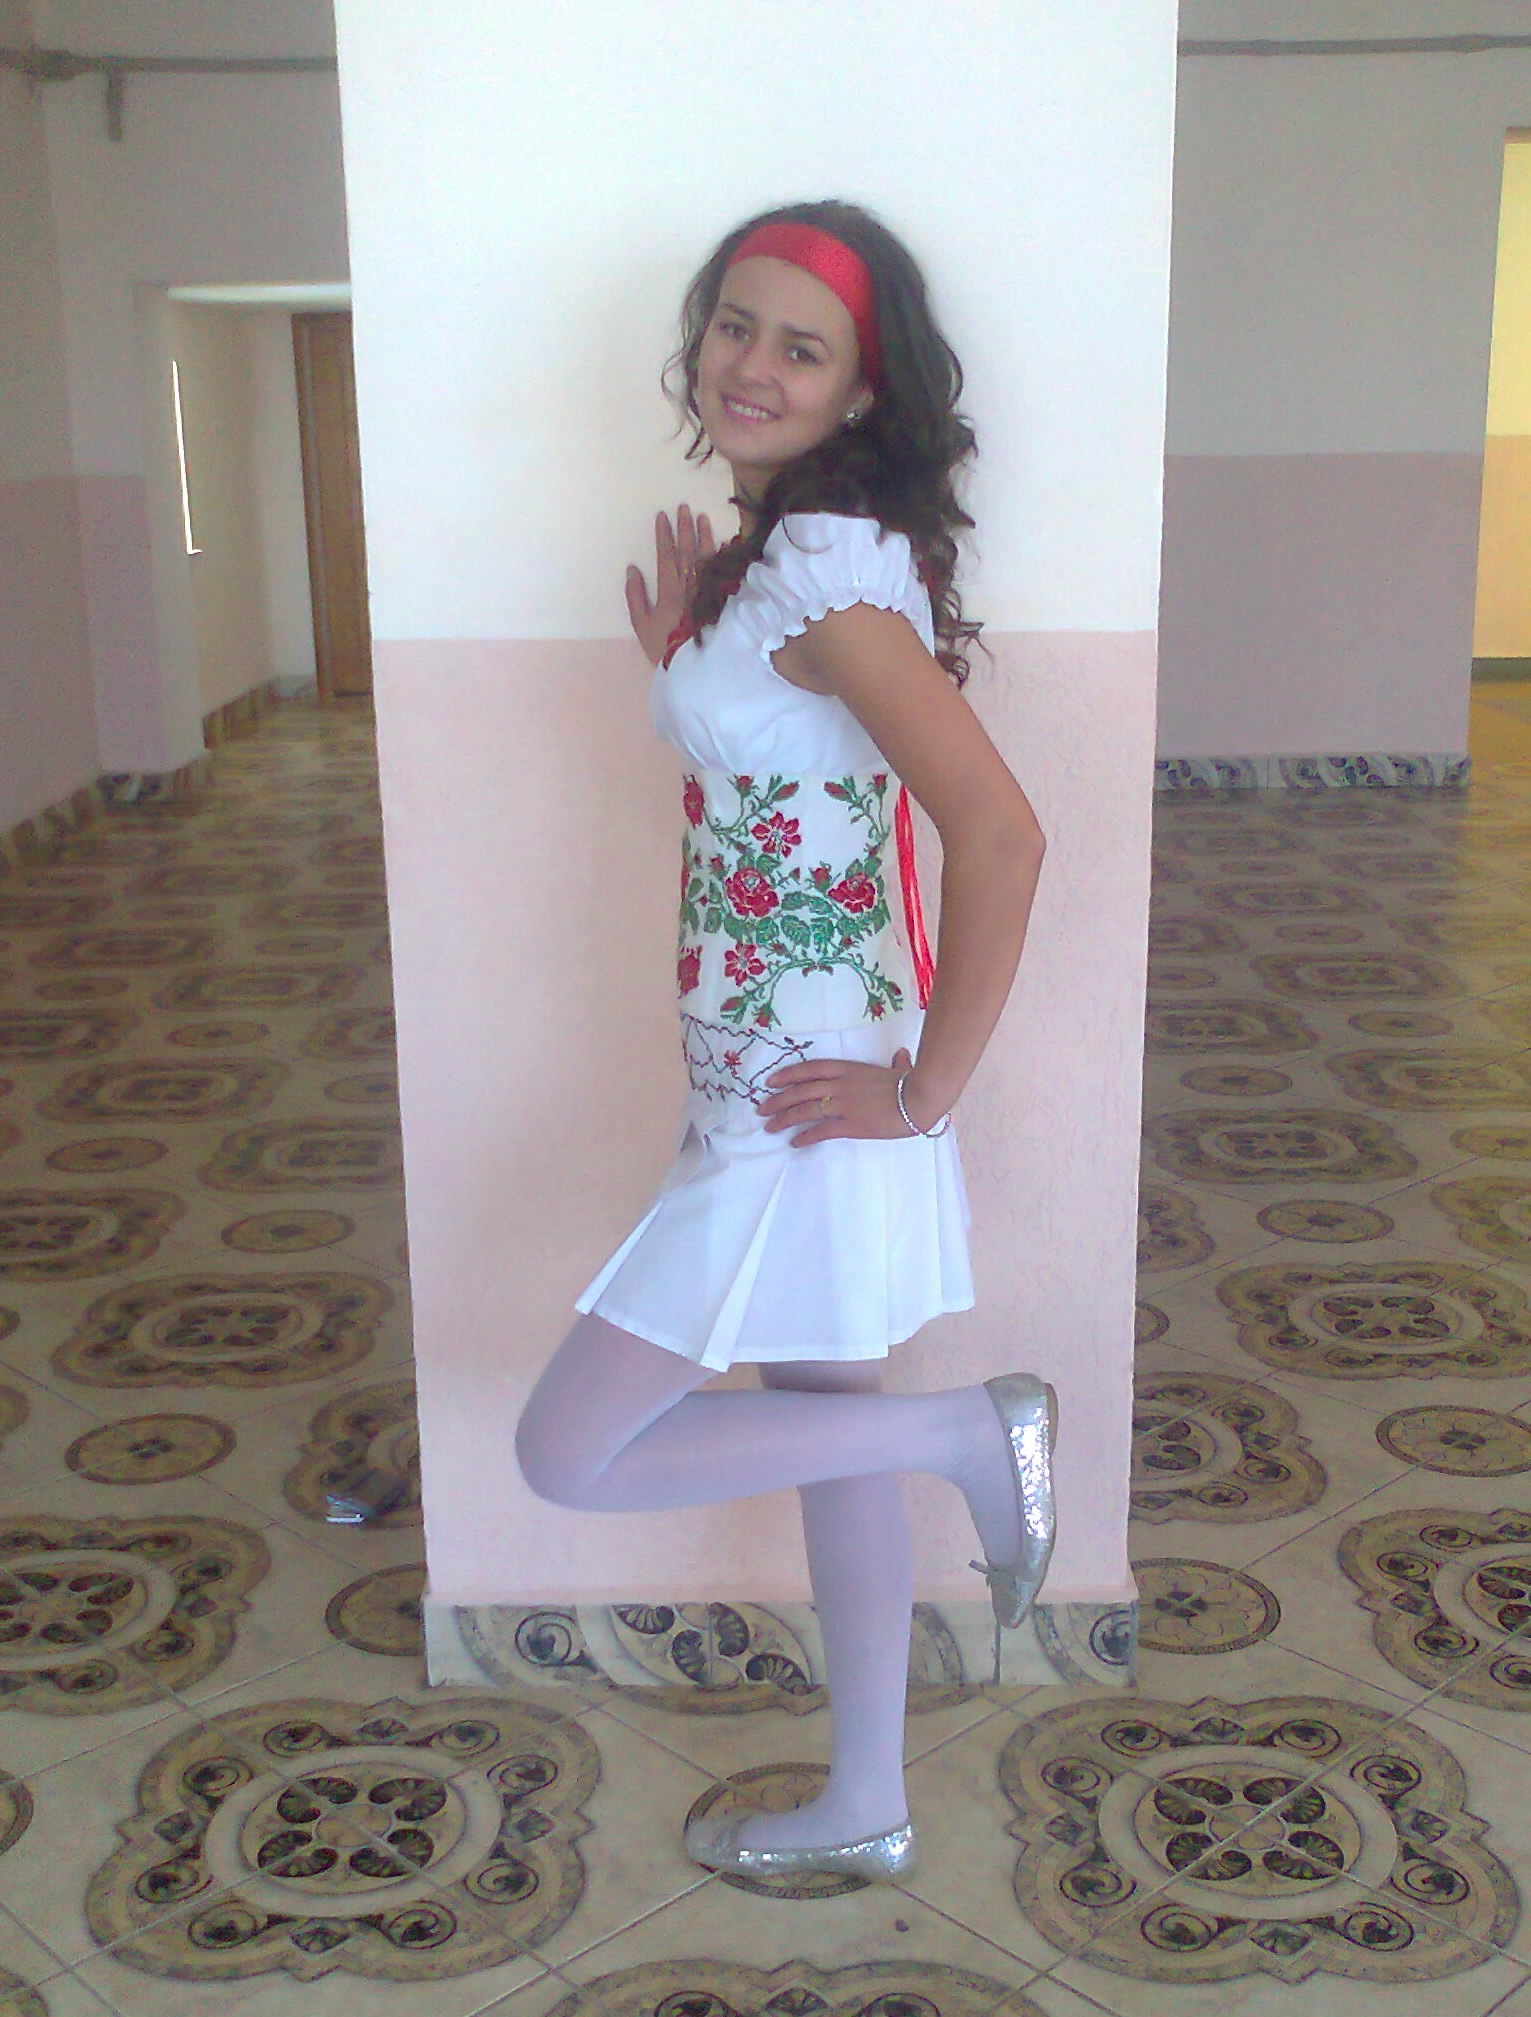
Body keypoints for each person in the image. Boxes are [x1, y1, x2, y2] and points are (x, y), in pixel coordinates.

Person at [516, 199, 1054, 1884]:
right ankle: (867, 1799)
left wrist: (927, 1091)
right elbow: (787, 760)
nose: (749, 364)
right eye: (734, 326)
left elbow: (1002, 831)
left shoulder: (826, 572)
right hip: (766, 1071)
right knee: (830, 1434)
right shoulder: (776, 567)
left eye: (798, 347)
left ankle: (970, 1434)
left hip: (803, 1092)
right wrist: (682, 662)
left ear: (857, 390)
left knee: (566, 1450)